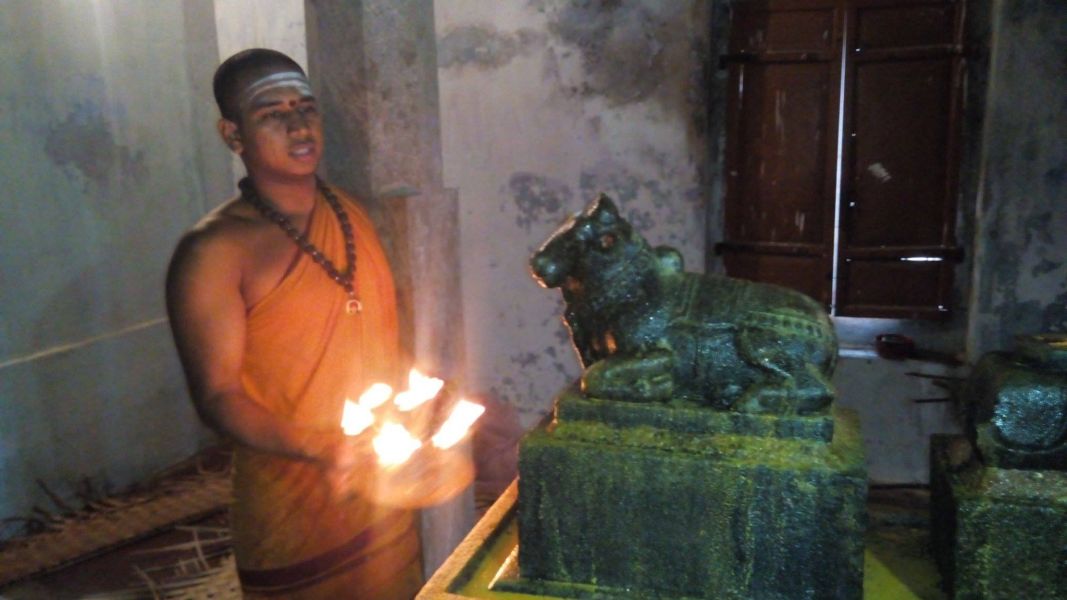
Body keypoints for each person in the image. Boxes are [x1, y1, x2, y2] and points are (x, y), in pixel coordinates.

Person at [166, 48, 423, 599]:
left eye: (305, 107)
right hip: (291, 517)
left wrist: (424, 403)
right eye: (272, 114)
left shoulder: (352, 215)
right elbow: (218, 396)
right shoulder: (215, 251)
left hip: (381, 503)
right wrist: (323, 447)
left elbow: (384, 344)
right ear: (232, 135)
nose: (299, 126)